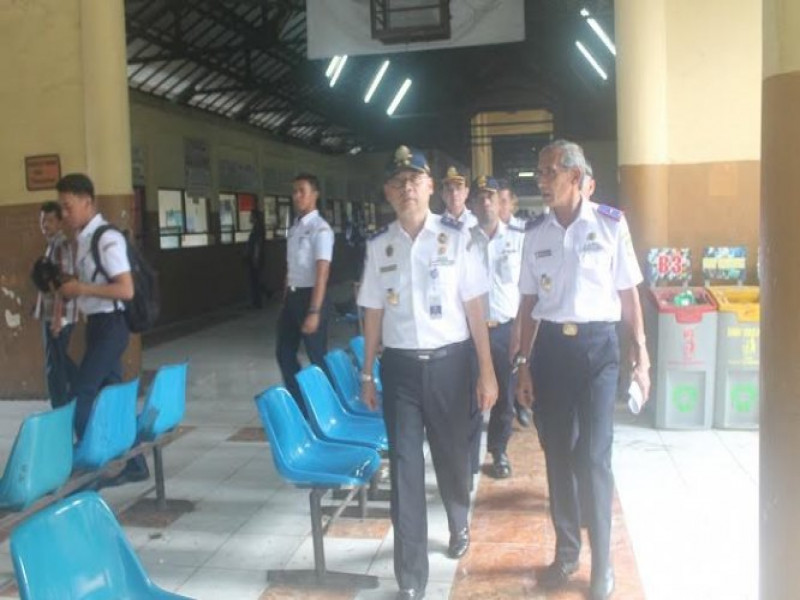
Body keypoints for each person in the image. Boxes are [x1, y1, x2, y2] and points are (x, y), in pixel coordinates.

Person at [358, 146, 498, 600]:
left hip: (450, 366)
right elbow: (373, 312)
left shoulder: (456, 239)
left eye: (415, 180)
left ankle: (458, 522)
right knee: (404, 469)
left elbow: (475, 309)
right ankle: (411, 576)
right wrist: (366, 373)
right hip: (400, 370)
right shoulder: (378, 247)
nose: (407, 189)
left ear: (430, 187)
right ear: (387, 192)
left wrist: (487, 371)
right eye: (398, 183)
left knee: (452, 457)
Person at [514, 140, 651, 600]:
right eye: (540, 172)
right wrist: (522, 364)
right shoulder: (535, 232)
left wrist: (641, 352)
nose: (542, 181)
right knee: (557, 455)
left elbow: (629, 294)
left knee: (593, 457)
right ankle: (567, 553)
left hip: (598, 351)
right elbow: (527, 304)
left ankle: (602, 564)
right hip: (551, 351)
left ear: (576, 177)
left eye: (549, 172)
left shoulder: (610, 224)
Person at [56, 173, 150, 484]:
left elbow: (126, 290)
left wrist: (81, 288)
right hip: (97, 325)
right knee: (114, 395)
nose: (64, 213)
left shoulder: (107, 239)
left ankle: (91, 464)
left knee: (80, 394)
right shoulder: (84, 239)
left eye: (68, 206)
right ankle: (136, 465)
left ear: (87, 202)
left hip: (112, 326)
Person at [468, 176, 525, 479]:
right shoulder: (462, 240)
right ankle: (467, 453)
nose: (486, 202)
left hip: (505, 330)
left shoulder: (518, 238)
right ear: (473, 205)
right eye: (480, 198)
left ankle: (499, 450)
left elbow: (527, 289)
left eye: (490, 196)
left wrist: (521, 332)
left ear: (499, 200)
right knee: (469, 394)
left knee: (505, 394)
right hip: (470, 332)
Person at [276, 173, 334, 412]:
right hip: (293, 297)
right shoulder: (295, 229)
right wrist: (285, 298)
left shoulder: (321, 229)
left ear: (315, 195)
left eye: (302, 191)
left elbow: (322, 272)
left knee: (316, 356)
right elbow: (291, 267)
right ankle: (301, 405)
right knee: (284, 353)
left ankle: (328, 407)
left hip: (312, 297)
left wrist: (314, 310)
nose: (297, 196)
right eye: (294, 191)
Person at [33, 201, 78, 408]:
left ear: (60, 222)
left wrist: (58, 318)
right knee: (58, 360)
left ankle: (59, 408)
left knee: (54, 365)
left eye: (50, 220)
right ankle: (81, 388)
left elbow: (62, 283)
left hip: (59, 315)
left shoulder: (61, 247)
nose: (45, 225)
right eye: (43, 220)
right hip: (53, 313)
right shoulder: (51, 245)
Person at [497, 179, 533, 428]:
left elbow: (527, 283)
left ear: (513, 203)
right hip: (489, 318)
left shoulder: (523, 233)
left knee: (515, 369)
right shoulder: (480, 233)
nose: (499, 206)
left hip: (514, 317)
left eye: (504, 201)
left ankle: (520, 406)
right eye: (495, 200)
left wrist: (522, 325)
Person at [245, 207, 266, 309]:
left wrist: (255, 257)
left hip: (255, 258)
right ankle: (259, 299)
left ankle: (257, 302)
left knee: (255, 280)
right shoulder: (257, 228)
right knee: (256, 280)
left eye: (251, 216)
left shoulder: (258, 229)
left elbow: (258, 244)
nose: (250, 218)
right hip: (255, 257)